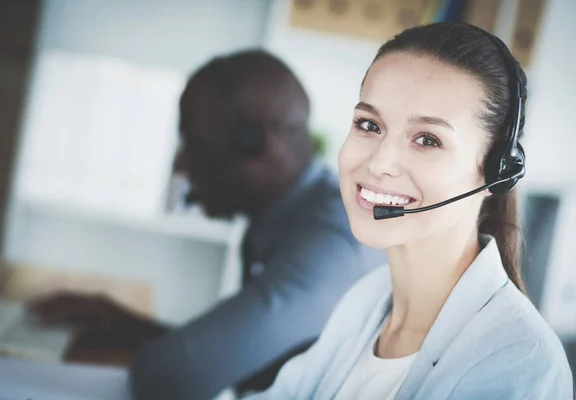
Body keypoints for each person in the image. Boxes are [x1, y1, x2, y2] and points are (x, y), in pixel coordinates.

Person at [26, 50, 386, 399]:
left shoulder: (334, 241)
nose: (181, 164)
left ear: (253, 144)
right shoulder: (291, 215)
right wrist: (131, 329)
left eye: (195, 144)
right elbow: (255, 364)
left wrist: (171, 351)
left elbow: (174, 378)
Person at [244, 22, 574, 400]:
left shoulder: (519, 362)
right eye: (369, 125)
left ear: (496, 171)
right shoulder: (367, 302)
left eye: (427, 139)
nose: (381, 162)